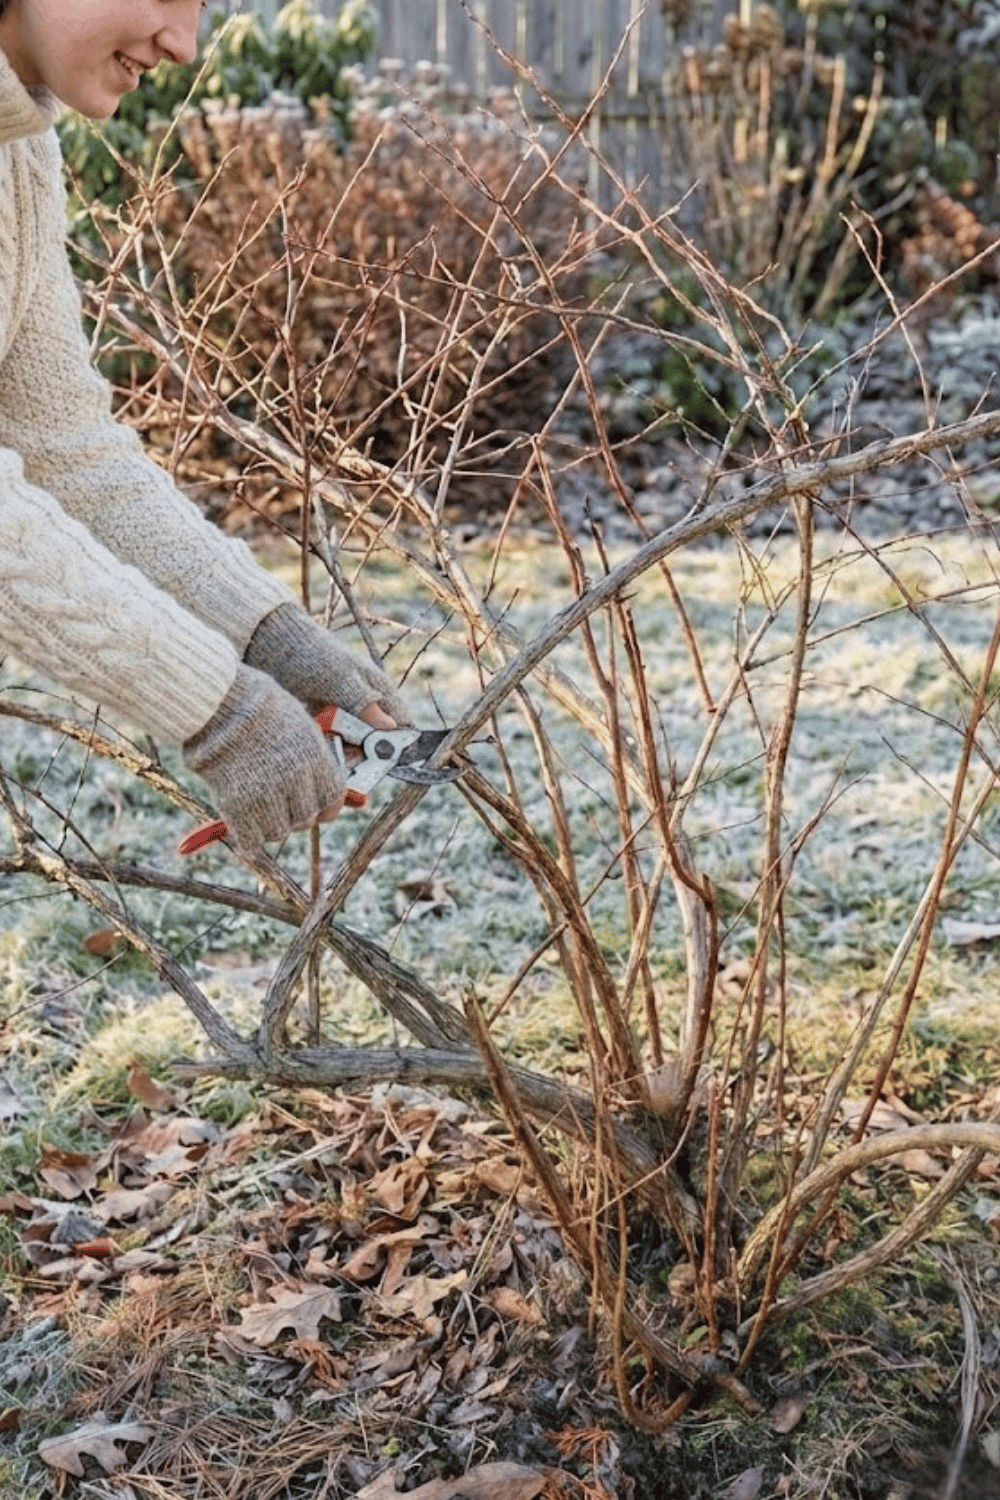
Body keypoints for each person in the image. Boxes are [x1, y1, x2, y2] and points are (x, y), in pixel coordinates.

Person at [0, 0, 411, 852]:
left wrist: (270, 638)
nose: (183, 44)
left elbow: (65, 449)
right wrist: (218, 707)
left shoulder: (18, 147)